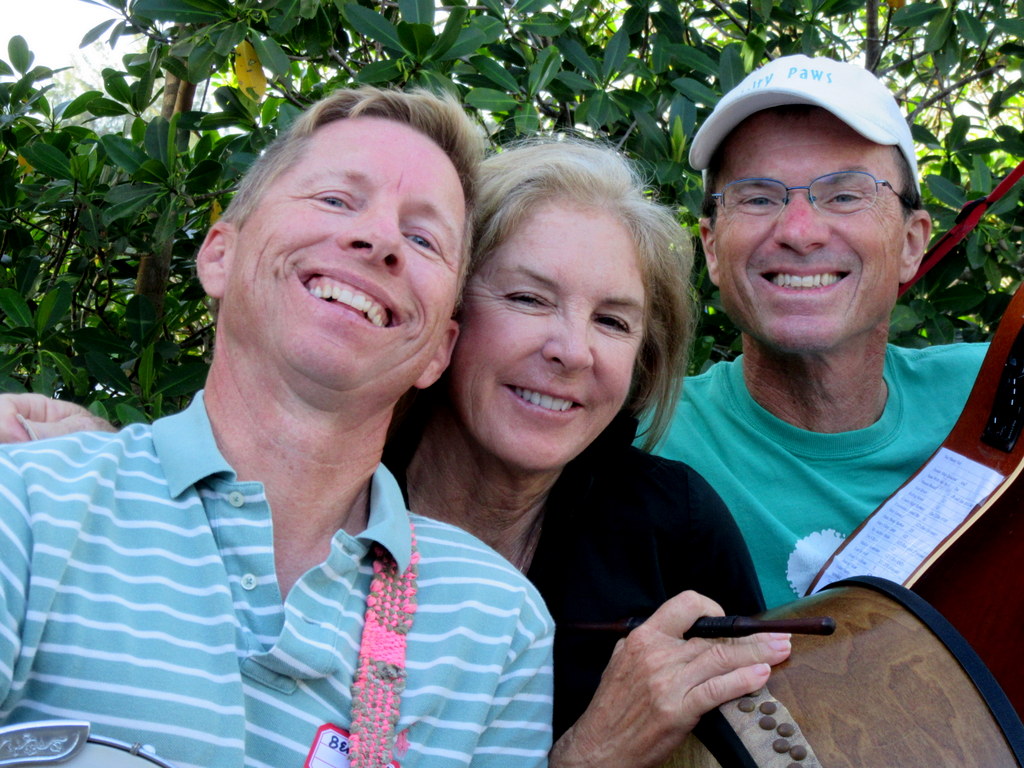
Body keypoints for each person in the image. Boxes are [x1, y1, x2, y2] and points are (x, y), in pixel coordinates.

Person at [0, 139, 792, 766]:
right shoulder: (323, 484)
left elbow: (784, 728)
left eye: (613, 322)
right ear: (442, 324)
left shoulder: (668, 529)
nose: (570, 350)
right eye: (527, 298)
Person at [0, 86, 556, 768]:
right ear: (219, 257)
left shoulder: (498, 629)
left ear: (438, 351)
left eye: (422, 238)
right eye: (336, 199)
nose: (381, 239)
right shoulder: (27, 506)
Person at [652, 54, 989, 608]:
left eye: (845, 195)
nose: (799, 231)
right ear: (711, 248)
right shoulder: (641, 436)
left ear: (911, 243)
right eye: (758, 197)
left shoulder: (997, 392)